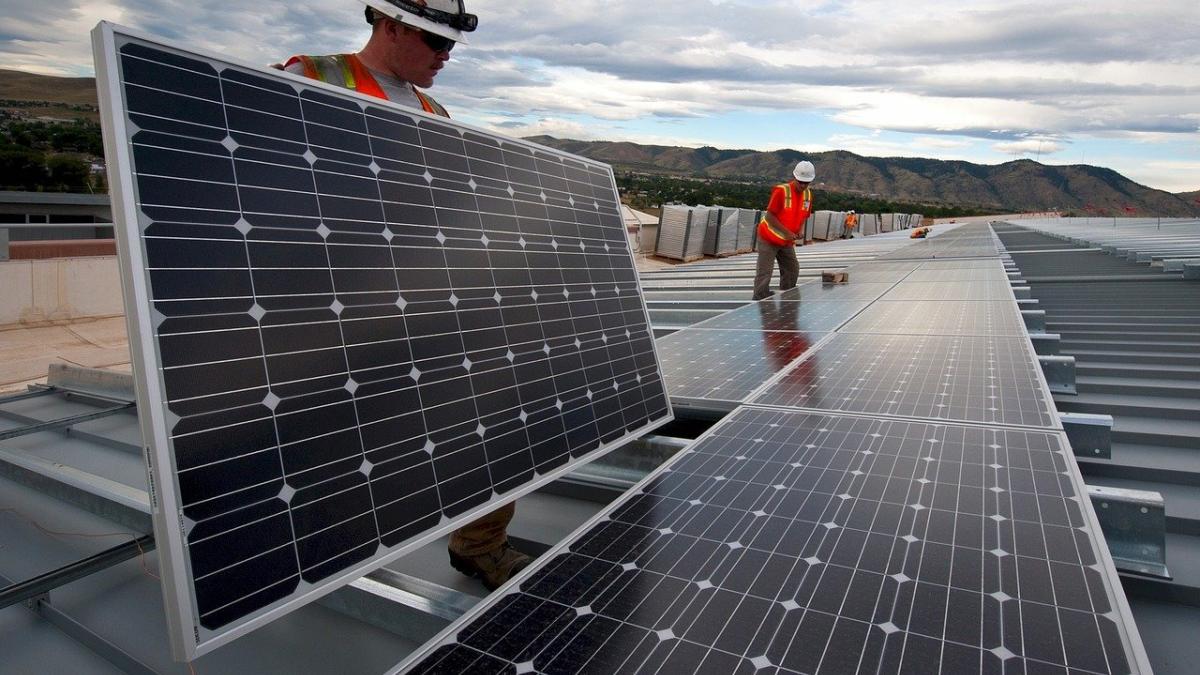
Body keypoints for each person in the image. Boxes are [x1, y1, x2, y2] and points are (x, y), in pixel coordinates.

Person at [284, 0, 531, 592]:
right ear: (388, 24)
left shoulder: (432, 110)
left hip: (413, 297)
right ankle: (306, 550)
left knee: (488, 411)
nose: (445, 56)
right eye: (433, 41)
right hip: (331, 302)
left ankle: (480, 544)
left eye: (451, 45)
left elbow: (441, 211)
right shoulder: (308, 77)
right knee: (334, 437)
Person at [752, 160, 816, 300]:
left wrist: (800, 230)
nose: (803, 185)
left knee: (792, 269)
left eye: (807, 183)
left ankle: (787, 298)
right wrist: (787, 232)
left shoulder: (808, 195)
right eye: (800, 182)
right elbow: (769, 217)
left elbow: (804, 215)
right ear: (795, 177)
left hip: (786, 241)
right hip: (769, 237)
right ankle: (759, 301)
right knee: (765, 272)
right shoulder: (782, 191)